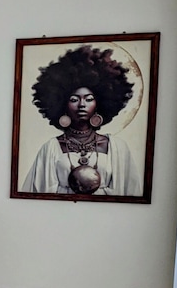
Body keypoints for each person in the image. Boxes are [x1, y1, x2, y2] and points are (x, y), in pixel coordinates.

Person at [21, 45, 142, 196]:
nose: (82, 104)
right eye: (74, 99)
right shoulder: (51, 147)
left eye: (89, 99)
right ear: (63, 105)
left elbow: (131, 192)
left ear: (100, 104)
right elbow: (36, 194)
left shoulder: (117, 147)